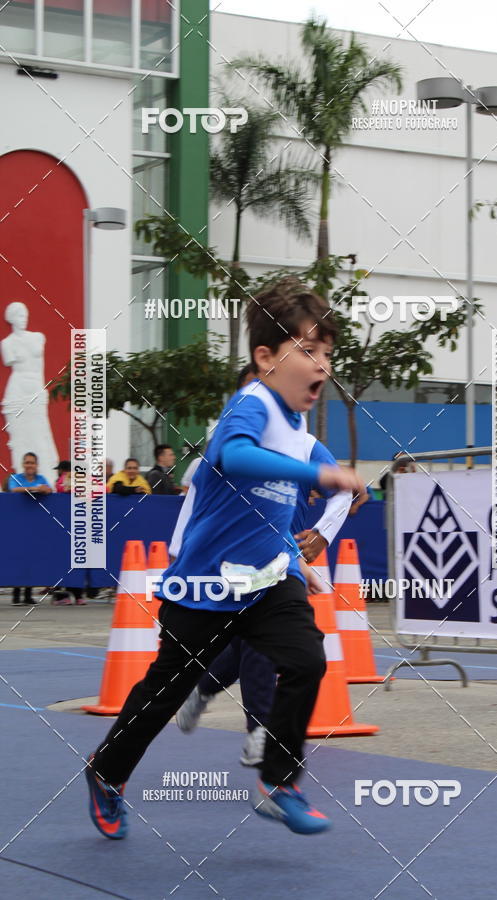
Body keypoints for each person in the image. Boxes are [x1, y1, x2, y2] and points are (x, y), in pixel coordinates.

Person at [85, 276, 364, 839]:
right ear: (266, 357)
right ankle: (107, 772)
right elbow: (236, 457)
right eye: (308, 352)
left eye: (327, 355)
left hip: (266, 579)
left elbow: (341, 489)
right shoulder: (251, 404)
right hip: (206, 581)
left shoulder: (302, 431)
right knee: (163, 692)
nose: (322, 367)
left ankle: (277, 779)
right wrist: (317, 474)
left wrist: (314, 542)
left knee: (308, 659)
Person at [173, 364, 353, 766]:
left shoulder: (305, 446)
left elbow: (346, 491)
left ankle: (256, 729)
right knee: (244, 643)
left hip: (278, 564)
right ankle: (205, 690)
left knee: (261, 645)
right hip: (224, 559)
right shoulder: (223, 446)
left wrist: (322, 532)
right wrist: (179, 556)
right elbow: (193, 502)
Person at [1, 301, 59, 481]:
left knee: (41, 433)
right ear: (11, 319)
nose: (23, 319)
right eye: (19, 316)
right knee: (20, 437)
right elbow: (10, 362)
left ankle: (47, 478)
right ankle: (21, 477)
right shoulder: (7, 343)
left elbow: (40, 368)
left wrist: (42, 391)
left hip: (35, 387)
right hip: (17, 389)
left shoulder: (38, 337)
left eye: (25, 315)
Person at [9, 452, 51, 605]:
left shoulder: (42, 479)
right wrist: (35, 488)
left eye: (32, 463)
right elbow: (14, 490)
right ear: (23, 465)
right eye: (27, 462)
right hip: (18, 525)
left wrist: (43, 489)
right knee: (17, 558)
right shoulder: (16, 478)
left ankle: (27, 594)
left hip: (35, 525)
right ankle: (16, 593)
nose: (29, 465)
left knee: (31, 558)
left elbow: (48, 490)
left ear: (36, 465)